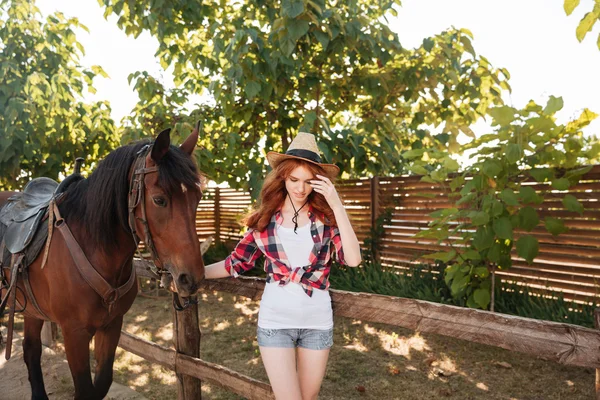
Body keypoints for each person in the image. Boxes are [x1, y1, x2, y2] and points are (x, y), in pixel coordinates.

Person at [204, 132, 362, 400]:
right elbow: (237, 263)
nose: (300, 188)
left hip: (317, 323)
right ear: (283, 178)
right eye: (294, 179)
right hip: (275, 323)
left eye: (308, 181)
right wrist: (195, 274)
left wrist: (337, 205)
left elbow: (353, 259)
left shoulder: (327, 220)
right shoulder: (265, 220)